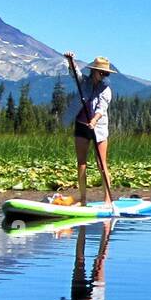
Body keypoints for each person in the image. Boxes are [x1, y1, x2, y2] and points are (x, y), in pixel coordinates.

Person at [63, 52, 115, 209]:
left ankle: (108, 199)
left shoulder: (106, 90)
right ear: (94, 71)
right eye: (101, 72)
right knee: (82, 163)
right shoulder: (83, 82)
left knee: (101, 163)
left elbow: (101, 109)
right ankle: (83, 199)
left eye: (105, 73)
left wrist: (94, 120)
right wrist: (70, 60)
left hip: (98, 128)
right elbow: (74, 73)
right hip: (81, 125)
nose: (104, 75)